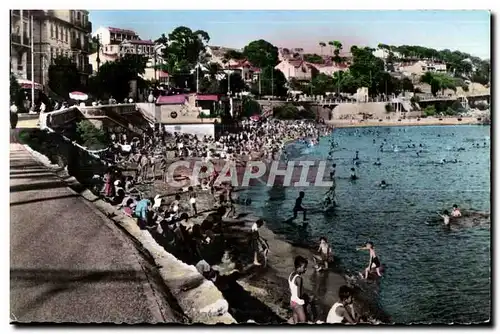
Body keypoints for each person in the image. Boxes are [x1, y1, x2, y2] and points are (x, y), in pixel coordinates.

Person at [289, 256, 308, 323]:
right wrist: (305, 299)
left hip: (292, 301)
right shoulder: (299, 279)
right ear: (299, 267)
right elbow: (299, 295)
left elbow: (292, 289)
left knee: (295, 318)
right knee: (303, 321)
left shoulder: (291, 274)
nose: (305, 269)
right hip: (298, 304)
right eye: (304, 267)